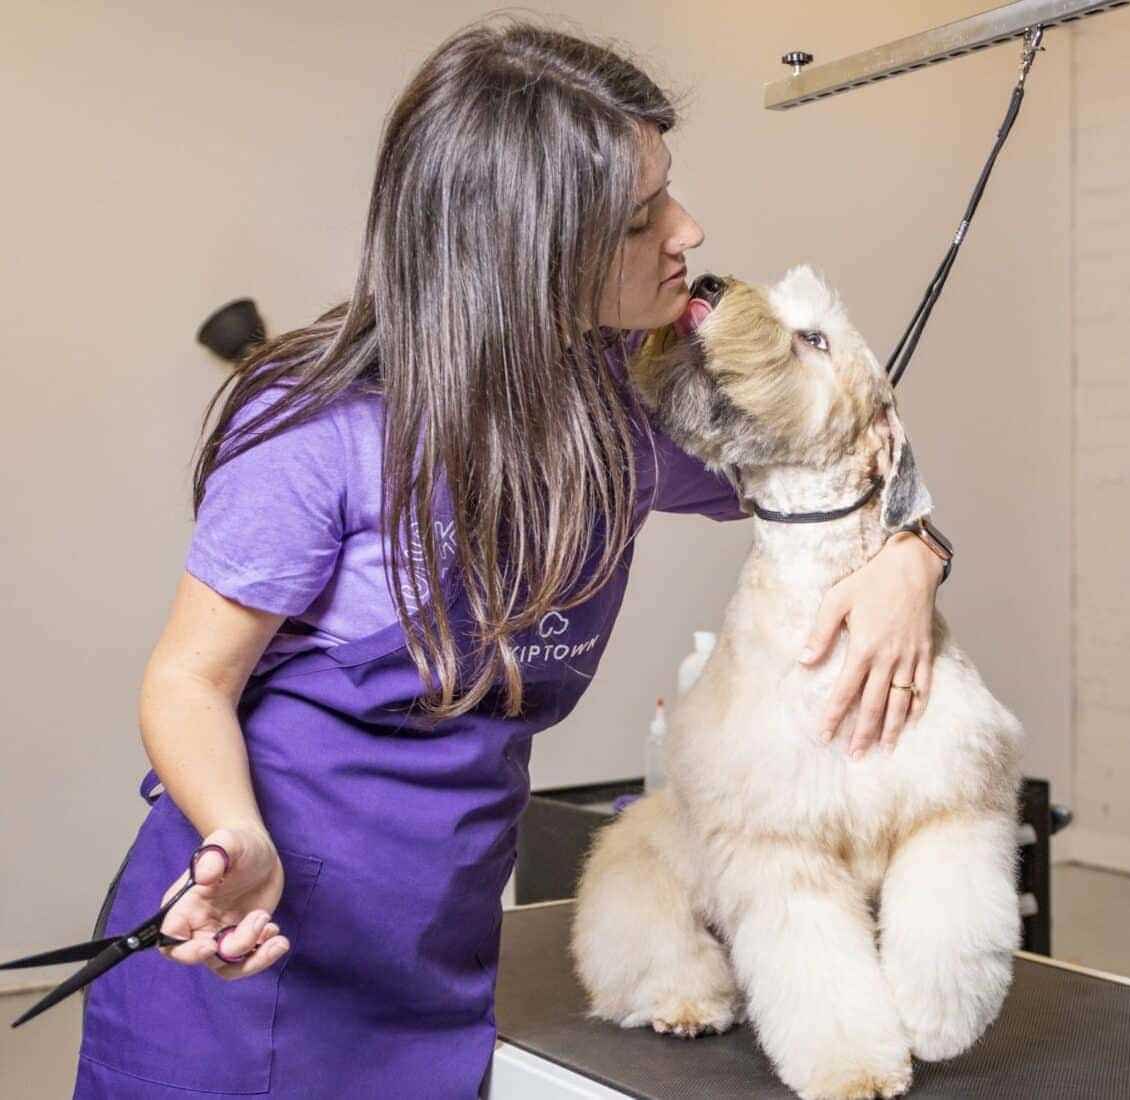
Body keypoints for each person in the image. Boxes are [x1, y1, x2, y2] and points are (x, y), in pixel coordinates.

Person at [72, 20, 949, 1099]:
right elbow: (189, 677)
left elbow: (829, 474)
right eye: (641, 219)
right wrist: (234, 830)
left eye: (669, 192)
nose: (689, 230)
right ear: (523, 247)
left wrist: (913, 554)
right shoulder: (320, 430)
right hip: (244, 957)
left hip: (437, 961)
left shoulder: (617, 411)